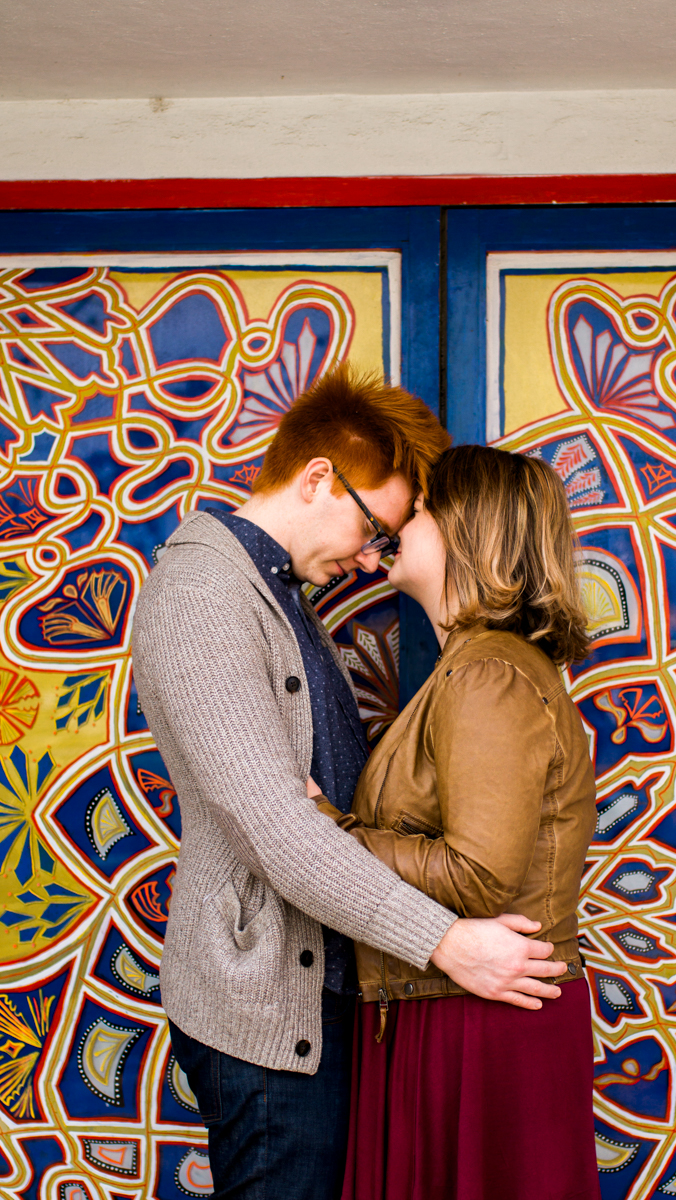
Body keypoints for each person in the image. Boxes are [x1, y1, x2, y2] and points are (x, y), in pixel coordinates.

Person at [131, 366, 568, 1200]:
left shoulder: (277, 594)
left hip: (319, 1009)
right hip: (263, 1015)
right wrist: (444, 943)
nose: (374, 558)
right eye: (374, 529)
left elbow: (316, 812)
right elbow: (279, 829)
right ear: (319, 478)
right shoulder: (203, 595)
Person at [311, 443, 601, 1200]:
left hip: (480, 1023)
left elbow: (477, 877)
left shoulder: (487, 673)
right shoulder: (481, 666)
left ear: (466, 530)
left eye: (424, 507)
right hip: (460, 1005)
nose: (402, 518)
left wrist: (328, 834)